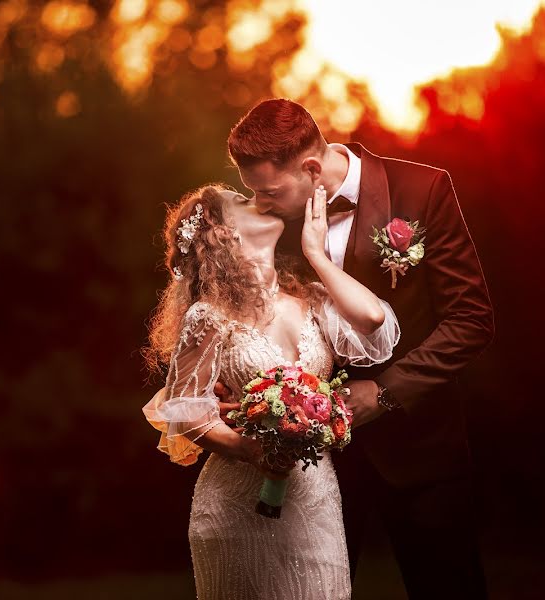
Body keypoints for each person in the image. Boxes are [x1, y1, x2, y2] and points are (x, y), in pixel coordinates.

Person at [218, 98, 495, 599]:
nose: (260, 204)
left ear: (309, 168)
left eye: (269, 191)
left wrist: (385, 393)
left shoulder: (423, 189)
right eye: (252, 193)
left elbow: (471, 320)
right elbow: (250, 316)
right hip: (314, 462)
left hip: (421, 448)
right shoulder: (272, 224)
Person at [142, 184, 400, 600]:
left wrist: (315, 252)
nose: (257, 199)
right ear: (224, 232)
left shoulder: (313, 299)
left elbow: (372, 319)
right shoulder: (209, 315)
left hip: (315, 502)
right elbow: (184, 408)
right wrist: (247, 448)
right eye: (241, 201)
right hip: (235, 505)